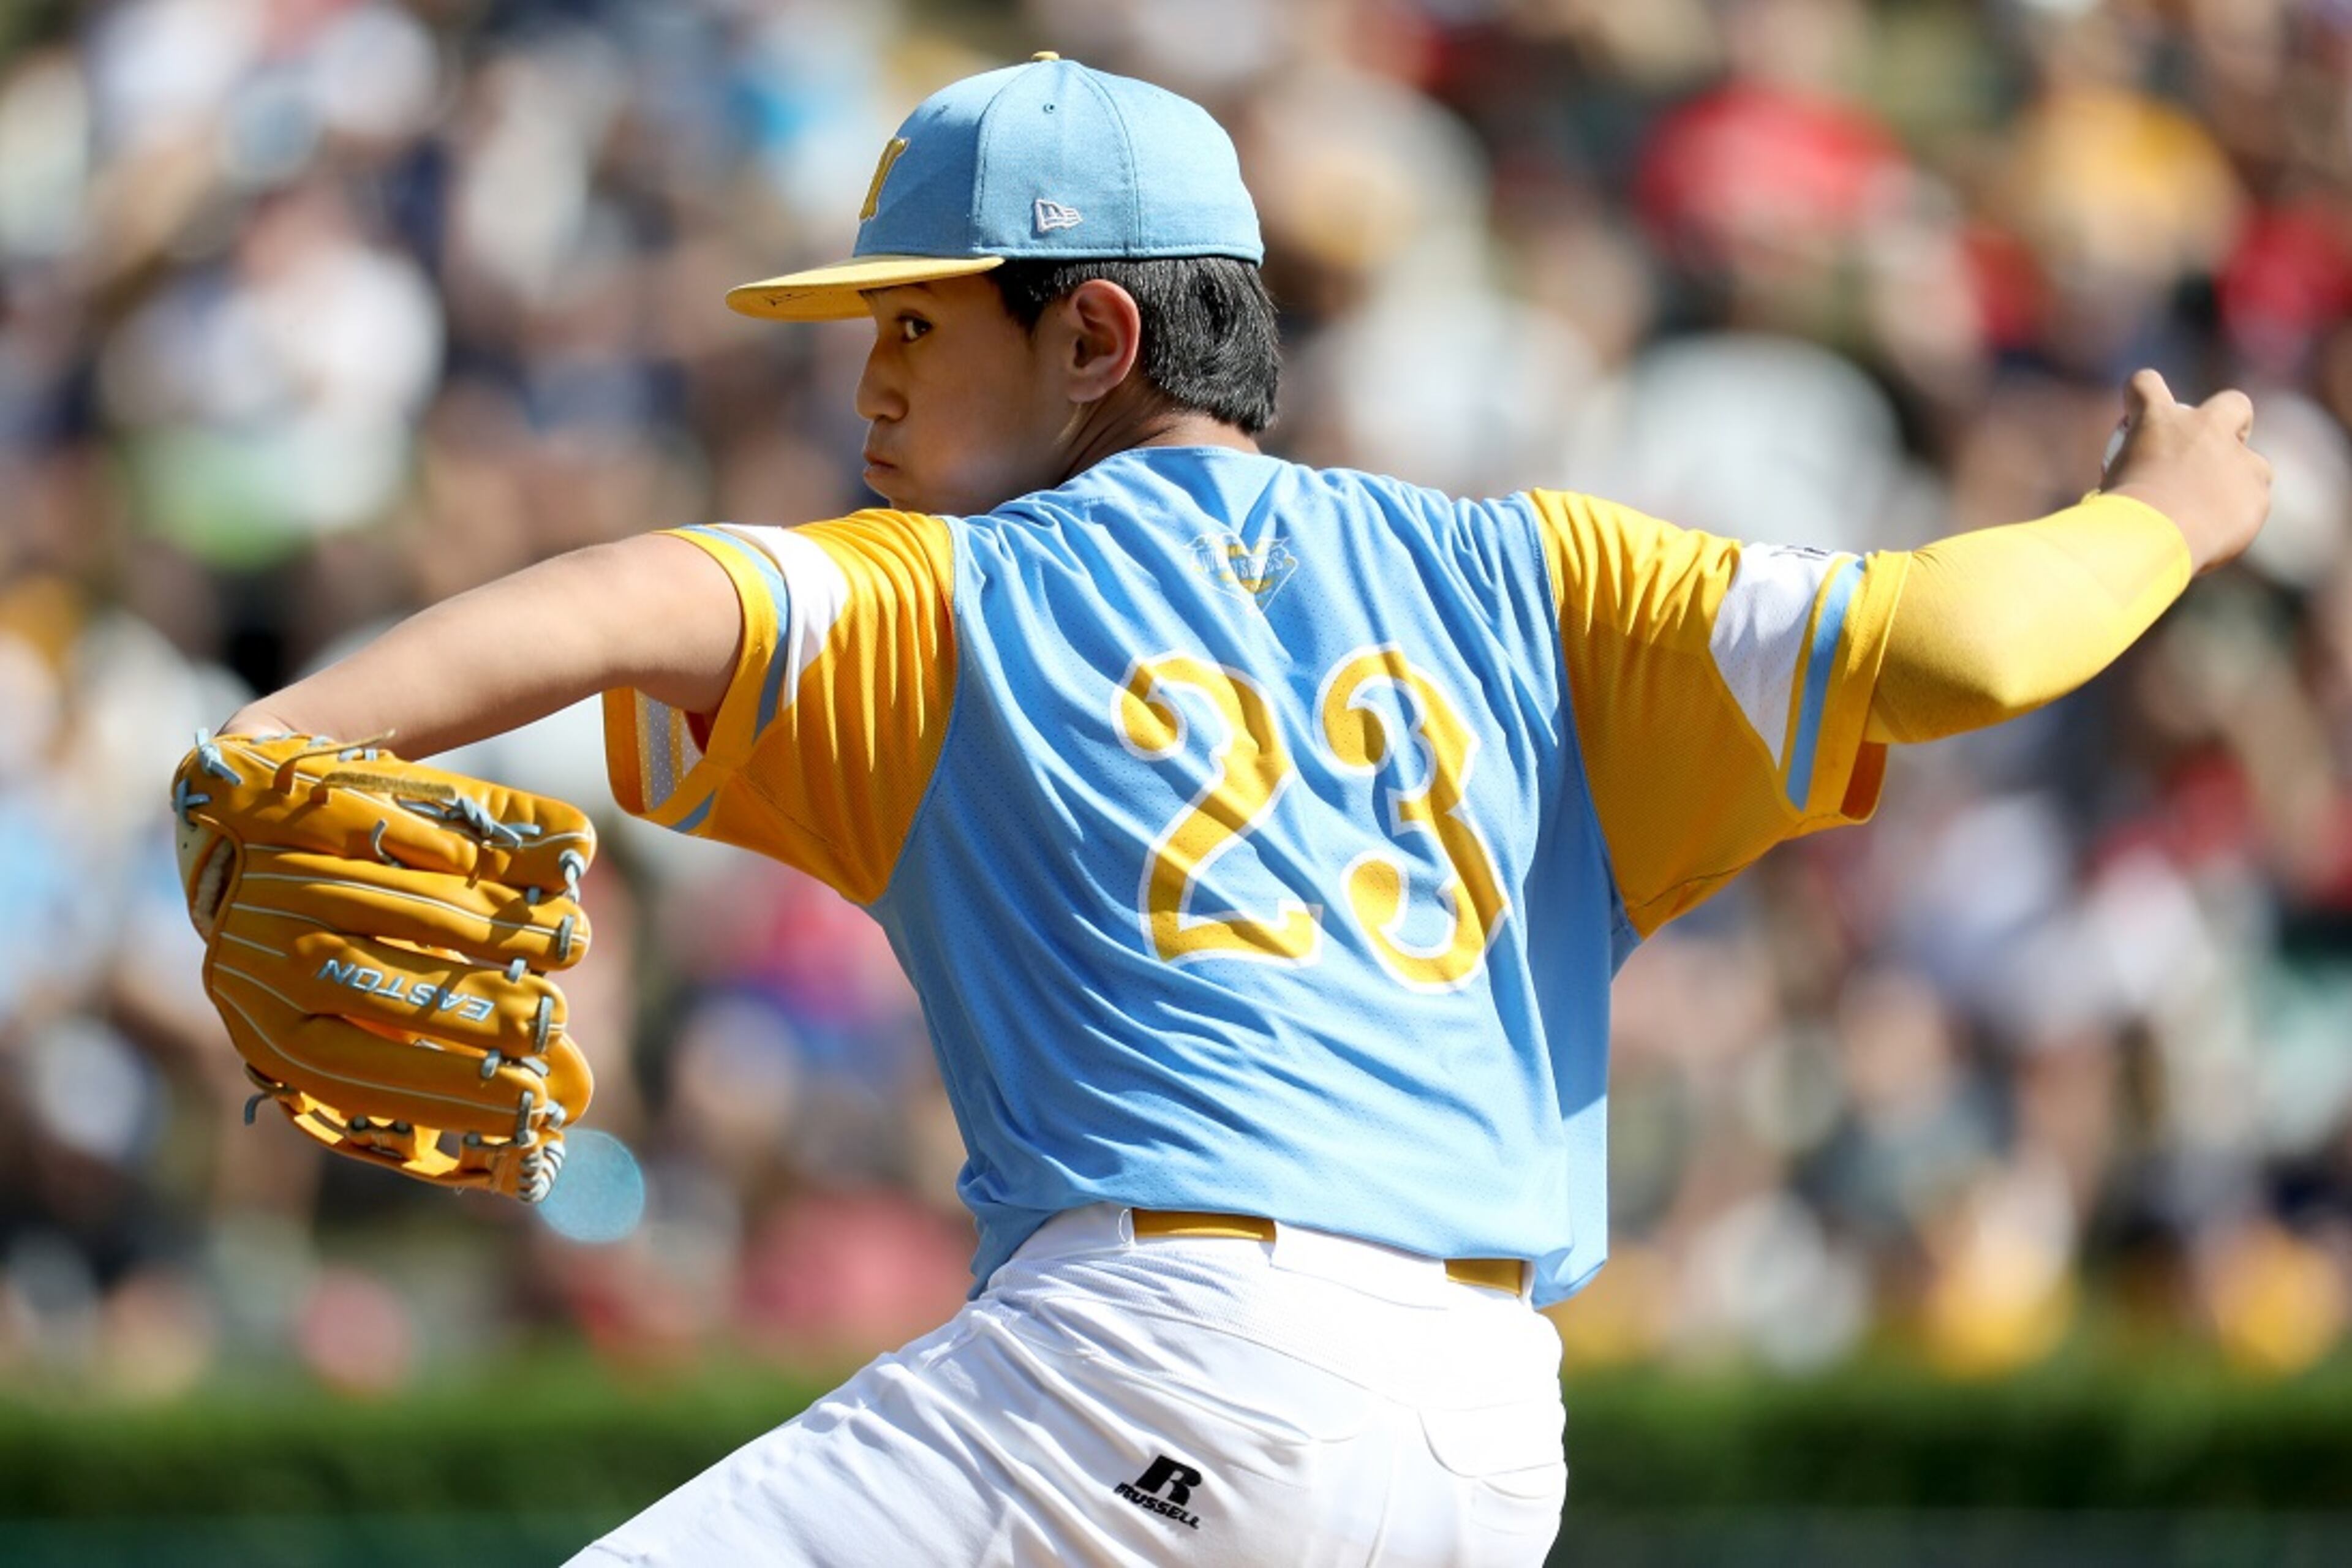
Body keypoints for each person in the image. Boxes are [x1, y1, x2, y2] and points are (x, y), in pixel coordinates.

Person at [216, 54, 2270, 1567]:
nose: (871, 391)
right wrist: (2159, 523)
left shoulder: (956, 593)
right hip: (1478, 1457)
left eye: (918, 324)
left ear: (1094, 334)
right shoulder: (1537, 575)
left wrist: (279, 741)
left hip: (1164, 1360)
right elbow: (1956, 649)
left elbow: (644, 593)